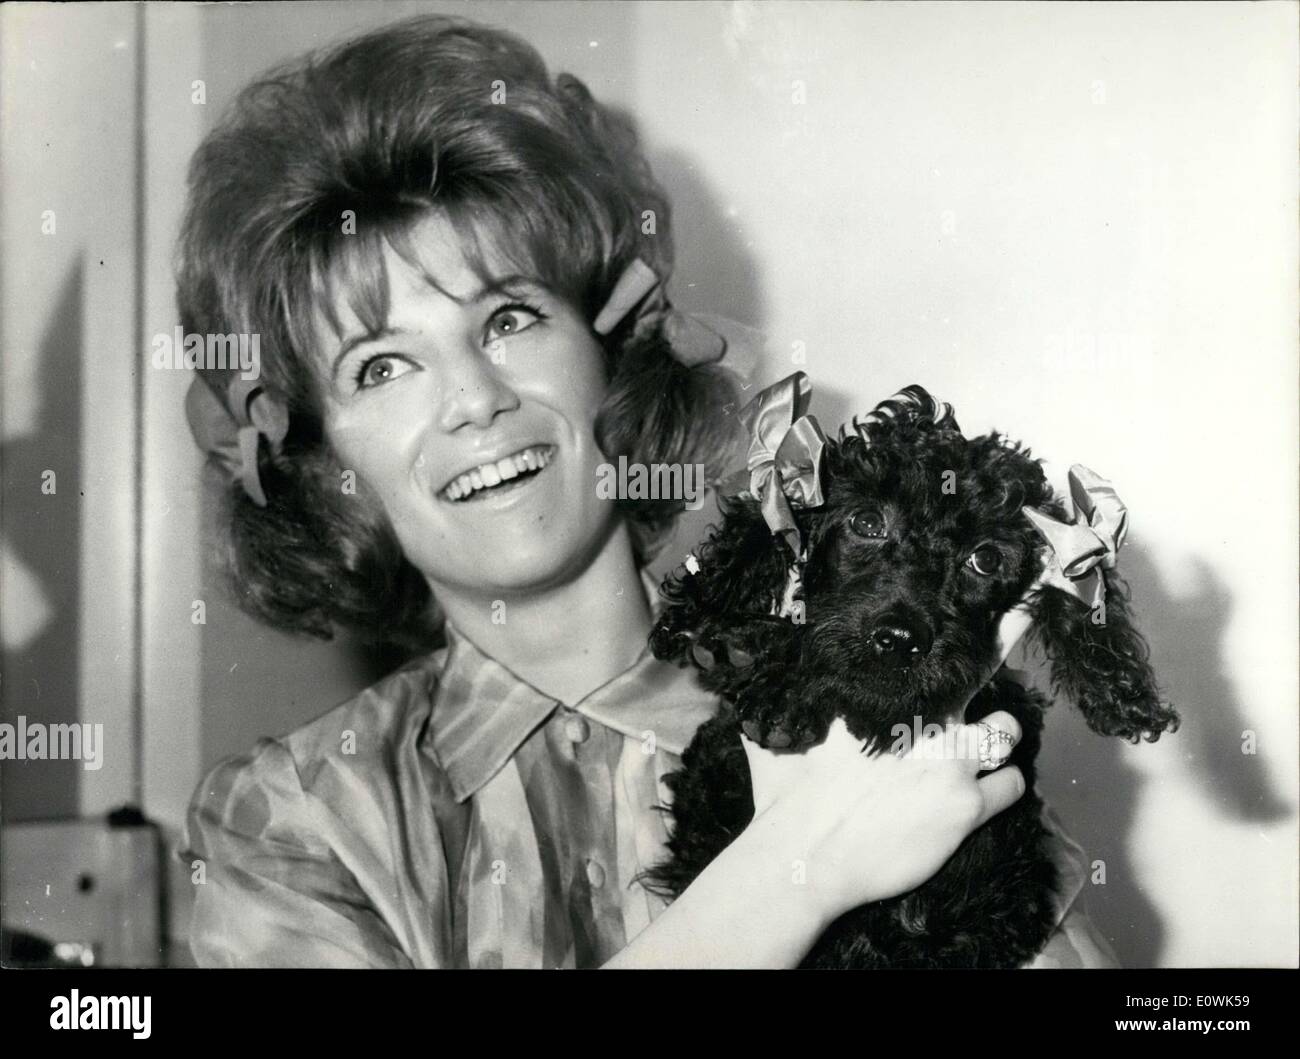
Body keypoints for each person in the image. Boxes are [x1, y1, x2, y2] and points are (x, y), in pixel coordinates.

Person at [178, 13, 1116, 969]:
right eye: (381, 368)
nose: (473, 399)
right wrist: (800, 866)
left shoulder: (880, 699)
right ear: (322, 457)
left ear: (612, 350)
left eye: (508, 318)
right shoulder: (294, 821)